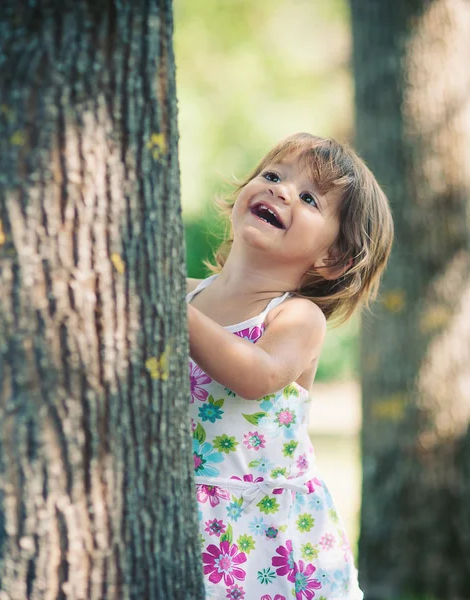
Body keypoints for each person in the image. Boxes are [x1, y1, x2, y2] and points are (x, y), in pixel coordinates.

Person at [186, 133, 393, 600]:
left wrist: (168, 310)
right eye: (273, 175)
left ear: (333, 256)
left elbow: (256, 375)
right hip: (182, 509)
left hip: (261, 534)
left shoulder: (296, 317)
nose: (280, 190)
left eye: (308, 198)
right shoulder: (185, 294)